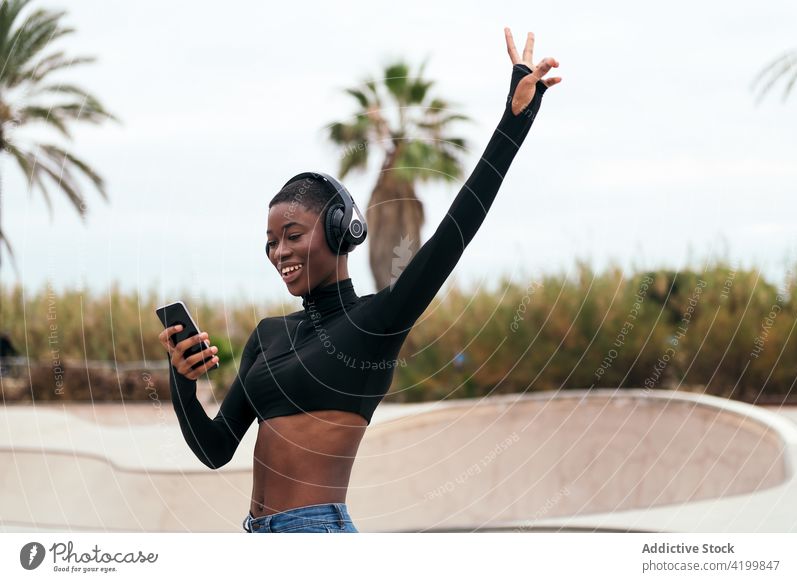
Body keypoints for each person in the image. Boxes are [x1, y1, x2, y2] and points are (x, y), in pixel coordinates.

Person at [158, 27, 561, 533]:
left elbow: (454, 235)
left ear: (336, 231)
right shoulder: (268, 335)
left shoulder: (375, 323)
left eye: (292, 234)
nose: (278, 251)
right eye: (270, 240)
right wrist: (182, 380)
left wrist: (514, 124)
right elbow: (214, 450)